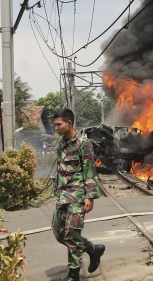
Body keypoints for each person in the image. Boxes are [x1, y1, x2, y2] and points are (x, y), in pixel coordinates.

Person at [52, 109, 105, 281]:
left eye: (58, 124)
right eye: (55, 125)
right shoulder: (60, 144)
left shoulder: (83, 143)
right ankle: (91, 249)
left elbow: (89, 170)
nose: (56, 128)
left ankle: (73, 273)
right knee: (60, 234)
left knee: (72, 234)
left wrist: (89, 196)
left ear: (69, 123)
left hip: (78, 196)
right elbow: (60, 170)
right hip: (62, 195)